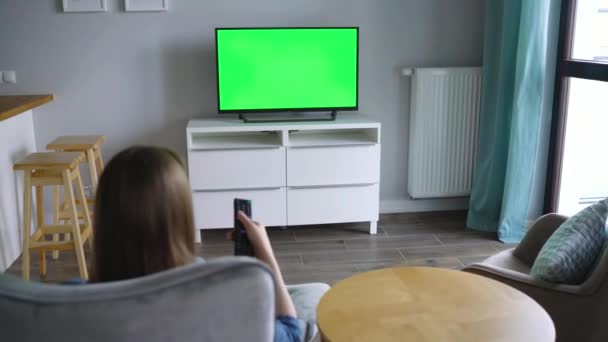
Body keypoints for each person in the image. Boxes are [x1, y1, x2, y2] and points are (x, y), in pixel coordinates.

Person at [91, 146, 301, 342]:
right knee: (315, 292)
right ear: (181, 217)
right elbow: (291, 334)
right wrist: (266, 253)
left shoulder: (63, 304)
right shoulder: (219, 299)